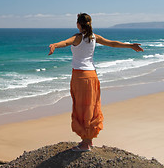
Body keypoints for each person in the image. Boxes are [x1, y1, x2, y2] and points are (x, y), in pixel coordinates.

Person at [48, 13, 143, 152]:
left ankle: (85, 144)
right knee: (91, 106)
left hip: (80, 76)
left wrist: (54, 45)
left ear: (79, 24)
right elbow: (112, 43)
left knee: (82, 107)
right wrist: (130, 46)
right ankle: (88, 140)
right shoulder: (94, 37)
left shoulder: (78, 37)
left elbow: (66, 42)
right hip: (92, 75)